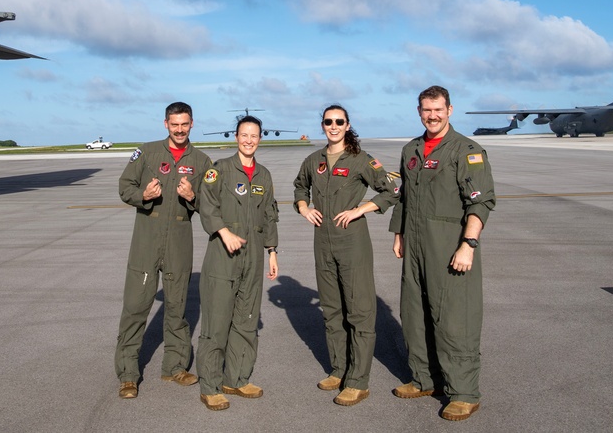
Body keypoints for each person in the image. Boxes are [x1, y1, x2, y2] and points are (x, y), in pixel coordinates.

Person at [390, 86, 496, 422]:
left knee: (454, 319)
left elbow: (480, 201)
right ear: (418, 110)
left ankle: (464, 392)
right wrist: (400, 232)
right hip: (416, 246)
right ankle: (425, 379)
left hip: (450, 245)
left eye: (438, 110)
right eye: (426, 110)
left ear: (450, 109)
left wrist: (469, 244)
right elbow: (405, 196)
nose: (432, 116)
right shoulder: (411, 149)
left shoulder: (467, 150)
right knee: (415, 313)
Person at [293, 104, 397, 407]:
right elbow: (300, 187)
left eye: (339, 121)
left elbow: (390, 190)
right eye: (328, 121)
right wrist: (304, 207)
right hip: (322, 243)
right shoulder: (314, 160)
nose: (333, 126)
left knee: (359, 311)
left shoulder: (361, 160)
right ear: (323, 125)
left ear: (347, 125)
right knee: (332, 309)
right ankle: (339, 369)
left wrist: (361, 209)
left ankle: (358, 381)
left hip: (352, 242)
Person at [114, 102, 214, 399]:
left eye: (184, 124)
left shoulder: (202, 160)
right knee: (135, 307)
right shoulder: (146, 153)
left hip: (179, 241)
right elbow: (124, 186)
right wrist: (142, 195)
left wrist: (192, 196)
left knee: (177, 307)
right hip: (146, 239)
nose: (180, 129)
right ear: (165, 124)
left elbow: (210, 204)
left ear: (192, 124)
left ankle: (175, 366)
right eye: (174, 124)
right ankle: (128, 374)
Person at [195, 115, 279, 411]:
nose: (248, 140)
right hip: (223, 255)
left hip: (254, 255)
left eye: (254, 135)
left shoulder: (264, 175)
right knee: (216, 323)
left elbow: (270, 213)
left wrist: (272, 251)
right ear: (236, 137)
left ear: (260, 139)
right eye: (244, 135)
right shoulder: (218, 171)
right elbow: (206, 204)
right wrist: (223, 231)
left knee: (246, 321)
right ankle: (210, 385)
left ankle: (237, 378)